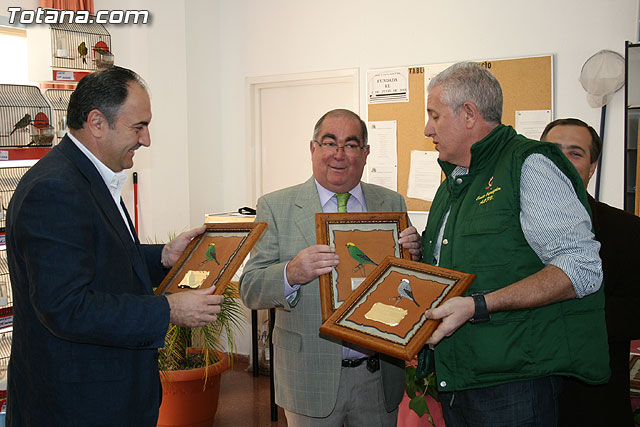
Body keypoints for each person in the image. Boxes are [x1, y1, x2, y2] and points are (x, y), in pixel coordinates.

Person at [5, 66, 224, 426]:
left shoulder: (86, 176)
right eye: (139, 127)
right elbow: (66, 307)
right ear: (96, 122)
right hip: (76, 407)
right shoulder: (55, 189)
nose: (146, 140)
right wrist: (167, 310)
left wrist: (163, 257)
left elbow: (99, 260)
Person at [416, 62, 610, 426]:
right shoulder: (453, 184)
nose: (428, 129)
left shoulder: (528, 165)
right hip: (461, 377)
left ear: (469, 114)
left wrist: (479, 305)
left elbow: (580, 269)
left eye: (434, 115)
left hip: (514, 385)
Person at [239, 108, 422, 427]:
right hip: (308, 378)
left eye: (351, 145)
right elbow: (250, 288)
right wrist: (290, 273)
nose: (339, 154)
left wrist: (414, 259)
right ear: (313, 148)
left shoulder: (391, 204)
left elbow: (408, 289)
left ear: (365, 153)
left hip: (377, 379)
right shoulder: (276, 206)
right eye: (329, 142)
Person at [541, 118, 640, 427]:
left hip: (594, 402)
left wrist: (555, 309)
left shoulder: (627, 231)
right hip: (523, 401)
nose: (562, 161)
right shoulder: (508, 228)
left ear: (592, 167)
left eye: (575, 153)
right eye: (552, 151)